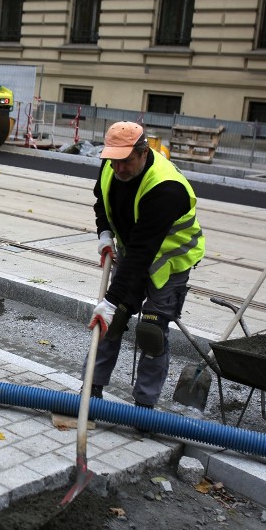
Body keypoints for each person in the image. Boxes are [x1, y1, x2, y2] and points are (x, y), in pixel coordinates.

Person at [89, 121, 205, 409]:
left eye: (126, 162)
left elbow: (143, 251)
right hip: (135, 252)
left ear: (144, 152)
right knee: (110, 323)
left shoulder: (166, 188)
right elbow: (101, 201)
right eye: (114, 162)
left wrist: (111, 300)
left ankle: (144, 406)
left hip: (168, 262)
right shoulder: (111, 163)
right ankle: (91, 390)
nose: (119, 170)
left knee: (151, 332)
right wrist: (104, 232)